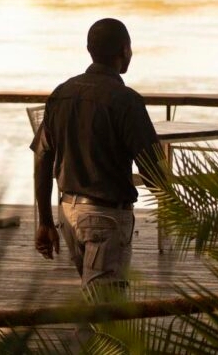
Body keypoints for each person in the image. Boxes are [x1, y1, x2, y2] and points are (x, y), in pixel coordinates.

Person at [31, 17, 165, 295]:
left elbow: (43, 157)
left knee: (94, 303)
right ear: (125, 51)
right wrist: (175, 203)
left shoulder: (62, 93)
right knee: (106, 314)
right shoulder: (126, 100)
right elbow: (153, 170)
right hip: (106, 218)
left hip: (68, 214)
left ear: (90, 49)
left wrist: (45, 221)